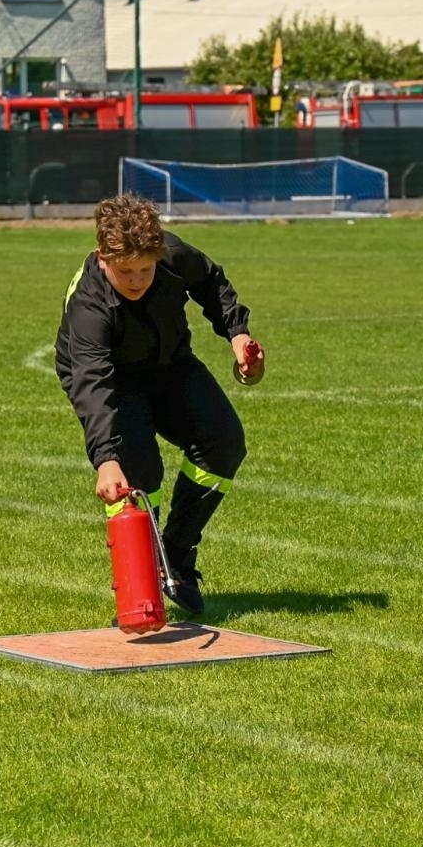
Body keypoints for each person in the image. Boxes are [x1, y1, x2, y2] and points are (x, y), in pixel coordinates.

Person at [54, 194, 265, 614]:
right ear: (102, 257)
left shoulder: (172, 252)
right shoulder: (89, 308)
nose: (137, 280)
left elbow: (211, 283)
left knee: (223, 442)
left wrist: (238, 336)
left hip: (170, 365)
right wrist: (106, 458)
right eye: (125, 271)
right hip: (111, 378)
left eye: (146, 269)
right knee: (139, 475)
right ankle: (142, 585)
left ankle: (177, 554)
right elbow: (92, 384)